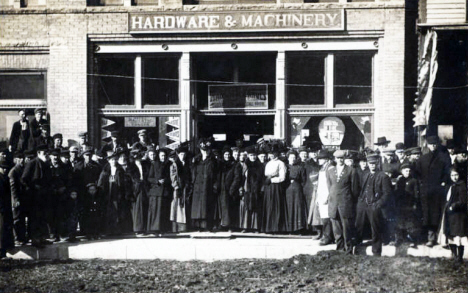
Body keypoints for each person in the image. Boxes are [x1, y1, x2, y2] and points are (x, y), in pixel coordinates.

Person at [415, 135, 451, 247]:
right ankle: (430, 238)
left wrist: (443, 182)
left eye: (435, 144)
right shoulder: (423, 158)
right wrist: (421, 184)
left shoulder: (444, 157)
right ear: (427, 145)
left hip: (439, 191)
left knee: (439, 213)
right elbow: (417, 173)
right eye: (431, 144)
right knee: (427, 215)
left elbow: (448, 172)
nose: (433, 146)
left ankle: (442, 238)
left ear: (438, 144)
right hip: (426, 191)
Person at [355, 154, 392, 256]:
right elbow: (362, 190)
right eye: (370, 164)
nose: (372, 166)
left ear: (377, 163)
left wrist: (377, 204)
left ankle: (376, 251)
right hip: (363, 204)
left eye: (374, 164)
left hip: (375, 206)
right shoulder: (366, 175)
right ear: (367, 164)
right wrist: (360, 202)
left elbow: (387, 194)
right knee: (358, 225)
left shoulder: (383, 176)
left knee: (375, 228)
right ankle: (357, 247)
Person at [327, 150, 360, 254]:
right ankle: (339, 249)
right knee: (336, 227)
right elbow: (329, 186)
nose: (340, 160)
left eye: (342, 158)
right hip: (333, 203)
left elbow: (354, 189)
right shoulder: (330, 170)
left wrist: (350, 200)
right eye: (338, 158)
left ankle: (348, 250)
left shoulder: (351, 170)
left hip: (346, 203)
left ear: (344, 159)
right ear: (334, 159)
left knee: (347, 227)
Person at [21, 144, 52, 247]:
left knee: (43, 217)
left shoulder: (46, 164)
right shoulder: (32, 163)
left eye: (47, 153)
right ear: (38, 153)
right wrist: (33, 187)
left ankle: (42, 238)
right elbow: (24, 179)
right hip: (34, 197)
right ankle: (35, 239)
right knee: (34, 218)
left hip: (44, 196)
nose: (46, 155)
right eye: (44, 153)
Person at [439, 168, 467, 263]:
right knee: (450, 233)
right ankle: (454, 255)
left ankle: (459, 257)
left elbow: (463, 200)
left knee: (458, 234)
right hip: (449, 214)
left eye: (456, 175)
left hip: (458, 214)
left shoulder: (461, 185)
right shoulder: (450, 185)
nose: (454, 177)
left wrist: (454, 206)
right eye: (452, 175)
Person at [190, 138, 218, 231]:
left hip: (208, 186)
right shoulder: (196, 160)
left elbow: (216, 173)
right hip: (198, 186)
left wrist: (215, 185)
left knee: (207, 205)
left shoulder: (212, 160)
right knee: (198, 206)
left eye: (206, 150)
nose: (204, 152)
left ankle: (208, 226)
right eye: (202, 150)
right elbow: (192, 172)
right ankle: (198, 226)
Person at [97, 151, 125, 236]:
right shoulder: (105, 169)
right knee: (108, 211)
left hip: (117, 192)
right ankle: (108, 230)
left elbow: (123, 181)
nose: (113, 161)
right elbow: (100, 182)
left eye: (115, 160)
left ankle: (116, 229)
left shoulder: (120, 169)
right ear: (109, 161)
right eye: (112, 160)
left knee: (117, 211)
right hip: (107, 193)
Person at [262, 145, 287, 233]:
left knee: (276, 205)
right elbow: (266, 174)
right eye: (270, 154)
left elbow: (282, 177)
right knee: (269, 205)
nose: (272, 155)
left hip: (276, 186)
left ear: (277, 154)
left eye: (273, 153)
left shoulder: (280, 163)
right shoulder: (268, 163)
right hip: (268, 187)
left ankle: (276, 228)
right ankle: (268, 228)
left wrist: (272, 180)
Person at [215, 146, 241, 231]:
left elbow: (237, 178)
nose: (227, 156)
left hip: (230, 190)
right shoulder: (220, 164)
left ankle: (230, 226)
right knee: (221, 207)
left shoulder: (235, 164)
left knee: (230, 208)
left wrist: (232, 189)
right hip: (221, 189)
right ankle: (222, 224)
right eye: (226, 154)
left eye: (229, 154)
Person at [311, 150, 334, 245]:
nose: (319, 160)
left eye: (321, 159)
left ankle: (328, 237)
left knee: (327, 218)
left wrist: (328, 197)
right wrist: (318, 198)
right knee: (324, 218)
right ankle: (326, 236)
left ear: (326, 159)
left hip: (327, 197)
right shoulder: (323, 168)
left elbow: (331, 185)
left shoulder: (330, 168)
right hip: (321, 196)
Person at [394, 163, 421, 246]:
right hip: (400, 204)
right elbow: (396, 192)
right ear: (402, 171)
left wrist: (415, 204)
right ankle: (399, 239)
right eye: (406, 171)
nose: (408, 172)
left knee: (410, 223)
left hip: (409, 204)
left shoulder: (413, 181)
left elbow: (416, 194)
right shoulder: (399, 180)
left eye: (409, 171)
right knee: (399, 222)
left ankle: (412, 240)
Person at [240, 146, 264, 232]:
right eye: (251, 155)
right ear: (248, 156)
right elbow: (242, 178)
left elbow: (262, 179)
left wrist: (261, 189)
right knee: (247, 207)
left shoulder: (260, 166)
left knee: (256, 208)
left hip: (256, 189)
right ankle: (246, 227)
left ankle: (256, 227)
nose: (253, 157)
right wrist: (242, 188)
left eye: (254, 155)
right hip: (248, 189)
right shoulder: (246, 165)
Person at [147, 148, 171, 234]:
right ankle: (154, 229)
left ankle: (163, 229)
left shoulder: (169, 165)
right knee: (155, 211)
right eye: (161, 156)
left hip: (165, 191)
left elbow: (172, 177)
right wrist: (157, 181)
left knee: (164, 211)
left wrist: (166, 180)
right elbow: (149, 178)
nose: (163, 157)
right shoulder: (154, 165)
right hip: (155, 191)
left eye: (164, 156)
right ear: (159, 156)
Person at [48, 148, 70, 241]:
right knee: (51, 215)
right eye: (53, 156)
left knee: (61, 215)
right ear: (50, 156)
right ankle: (53, 235)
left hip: (61, 195)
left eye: (57, 156)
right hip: (51, 195)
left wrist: (64, 188)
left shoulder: (64, 167)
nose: (55, 158)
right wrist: (52, 189)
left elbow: (68, 180)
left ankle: (62, 234)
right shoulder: (46, 167)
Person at [285, 150, 307, 234]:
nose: (293, 159)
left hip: (297, 189)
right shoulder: (285, 167)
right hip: (288, 189)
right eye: (291, 157)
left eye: (294, 157)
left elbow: (303, 180)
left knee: (298, 207)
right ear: (288, 158)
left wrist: (299, 186)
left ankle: (298, 228)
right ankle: (289, 229)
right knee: (289, 207)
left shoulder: (300, 167)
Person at [8, 152, 28, 245]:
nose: (22, 160)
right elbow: (13, 187)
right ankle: (17, 238)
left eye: (22, 158)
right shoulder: (13, 171)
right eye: (19, 158)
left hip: (23, 198)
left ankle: (22, 237)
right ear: (15, 160)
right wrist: (15, 199)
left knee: (22, 218)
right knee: (17, 219)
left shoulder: (23, 169)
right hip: (17, 199)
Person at [129, 149, 149, 235]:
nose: (137, 158)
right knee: (138, 208)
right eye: (136, 157)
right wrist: (138, 182)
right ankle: (138, 228)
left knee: (144, 207)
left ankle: (144, 227)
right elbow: (132, 178)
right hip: (136, 189)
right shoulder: (131, 167)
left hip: (144, 188)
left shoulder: (144, 165)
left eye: (139, 156)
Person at [0, 161, 14, 258]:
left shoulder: (5, 178)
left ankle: (4, 251)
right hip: (1, 208)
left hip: (6, 207)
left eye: (6, 168)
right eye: (2, 168)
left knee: (5, 230)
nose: (4, 170)